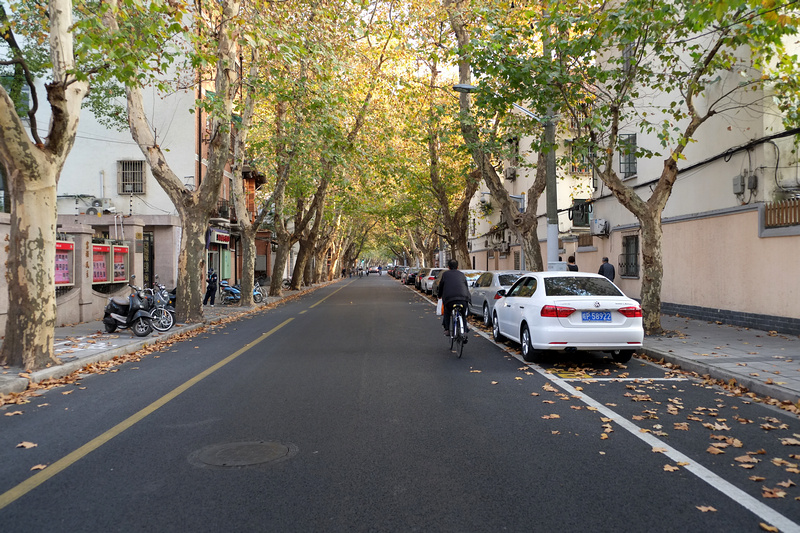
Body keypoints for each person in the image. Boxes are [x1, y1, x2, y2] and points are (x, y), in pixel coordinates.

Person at [437, 259, 471, 341]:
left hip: (449, 299)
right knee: (463, 313)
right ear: (457, 267)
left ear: (448, 267)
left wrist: (439, 296)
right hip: (463, 298)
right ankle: (465, 330)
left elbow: (441, 287)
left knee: (447, 311)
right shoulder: (462, 275)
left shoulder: (445, 275)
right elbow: (466, 287)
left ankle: (447, 329)